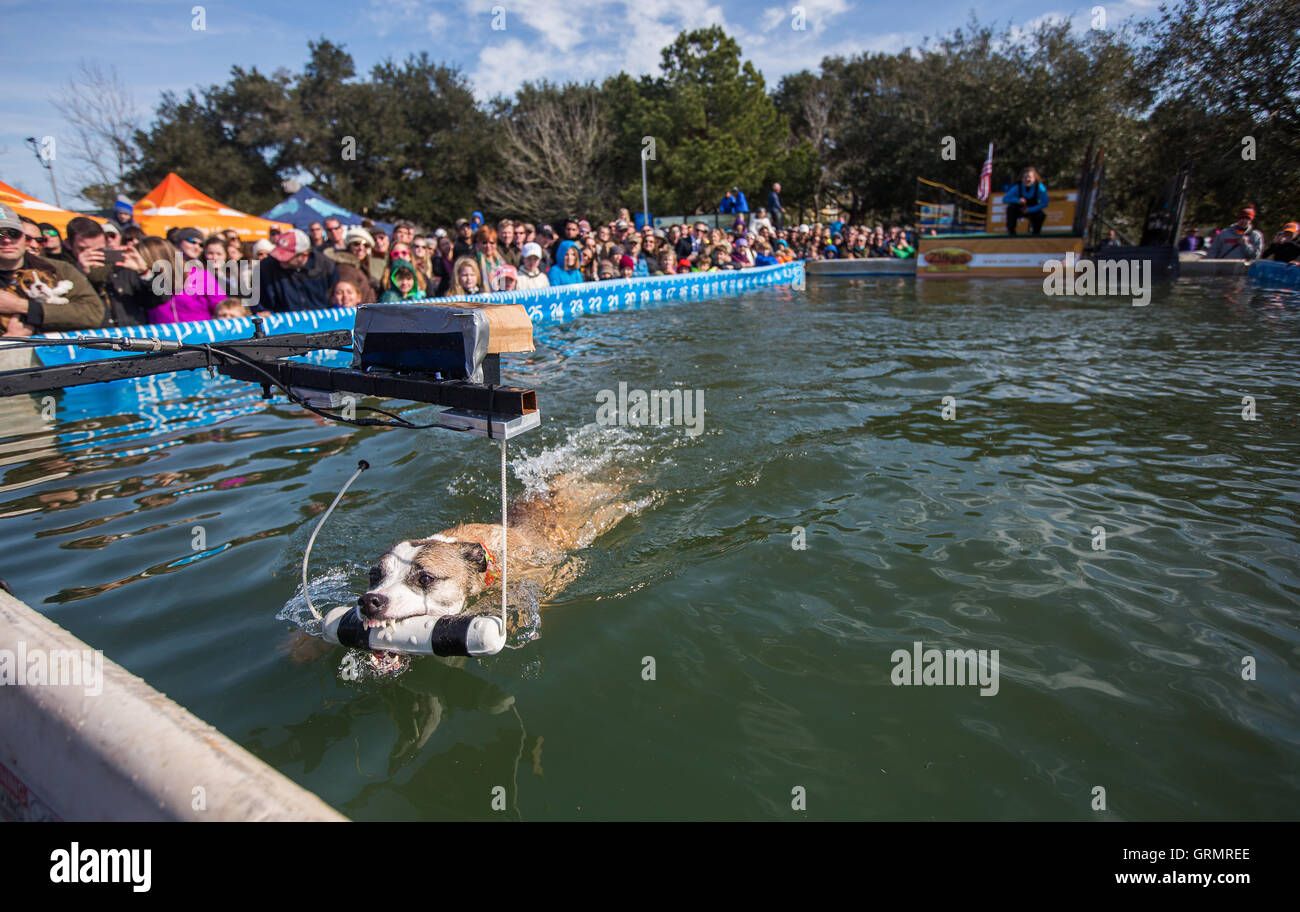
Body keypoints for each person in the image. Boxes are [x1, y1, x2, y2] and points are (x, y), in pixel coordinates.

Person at [0, 203, 105, 333]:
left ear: (23, 237)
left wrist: (25, 307)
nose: (6, 240)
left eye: (13, 233)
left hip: (57, 351)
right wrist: (8, 342)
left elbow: (93, 312)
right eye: (0, 234)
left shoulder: (58, 269)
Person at [253, 228, 338, 313]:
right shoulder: (266, 267)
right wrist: (260, 310)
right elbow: (252, 298)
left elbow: (335, 297)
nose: (280, 259)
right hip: (283, 322)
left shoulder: (325, 266)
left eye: (286, 256)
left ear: (304, 255)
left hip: (321, 321)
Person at [1003, 167, 1049, 236]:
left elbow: (1045, 203)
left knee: (1041, 215)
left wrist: (1029, 210)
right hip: (1020, 209)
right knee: (1011, 209)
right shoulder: (1017, 187)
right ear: (1021, 179)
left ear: (1034, 178)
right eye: (1025, 177)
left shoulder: (1040, 187)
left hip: (1033, 210)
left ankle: (1036, 234)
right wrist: (1018, 200)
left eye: (1029, 177)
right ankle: (1012, 233)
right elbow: (1005, 199)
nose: (1027, 179)